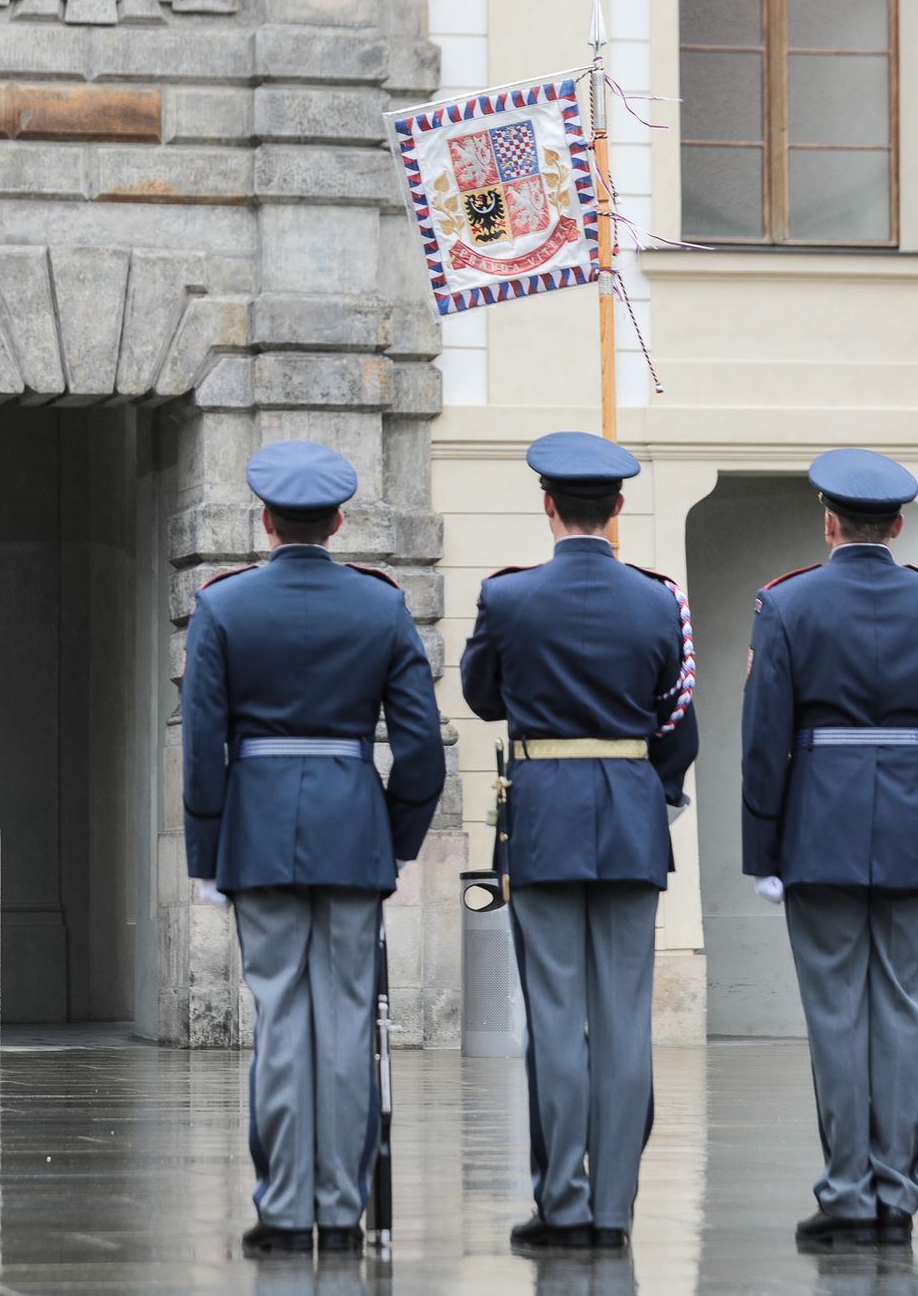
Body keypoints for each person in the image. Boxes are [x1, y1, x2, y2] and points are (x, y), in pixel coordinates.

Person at [182, 440, 446, 1258]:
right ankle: (340, 1205)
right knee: (345, 1020)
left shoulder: (223, 607)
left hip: (257, 835)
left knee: (281, 1021)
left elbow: (200, 746)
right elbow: (420, 750)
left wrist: (206, 854)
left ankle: (285, 1206)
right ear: (337, 522)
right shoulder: (381, 607)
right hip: (351, 831)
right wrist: (393, 840)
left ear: (264, 522)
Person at [741, 449, 918, 1247]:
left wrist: (763, 851)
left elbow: (763, 740)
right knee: (904, 1013)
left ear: (828, 522)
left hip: (817, 830)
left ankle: (848, 1190)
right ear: (895, 526)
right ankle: (895, 1187)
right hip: (917, 834)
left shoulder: (786, 605)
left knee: (835, 1016)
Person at [458, 432, 700, 1252]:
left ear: (548, 505)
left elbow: (481, 695)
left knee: (556, 1019)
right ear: (618, 510)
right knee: (624, 1019)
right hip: (630, 815)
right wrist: (645, 788)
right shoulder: (660, 599)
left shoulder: (508, 597)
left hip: (545, 815)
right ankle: (614, 1210)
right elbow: (678, 723)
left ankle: (561, 1201)